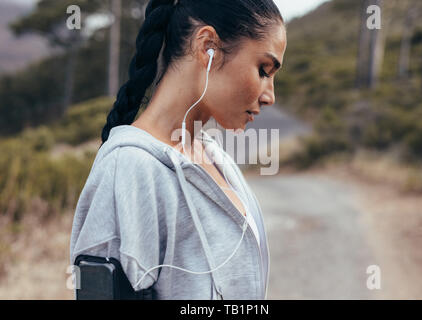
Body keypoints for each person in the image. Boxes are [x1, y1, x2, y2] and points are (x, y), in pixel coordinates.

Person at [70, 0, 286, 300]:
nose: (269, 97)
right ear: (207, 46)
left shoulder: (217, 158)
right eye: (263, 69)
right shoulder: (129, 169)